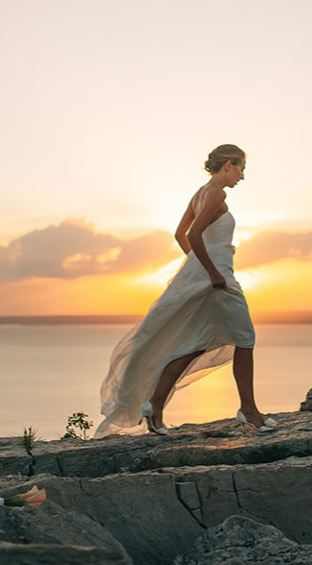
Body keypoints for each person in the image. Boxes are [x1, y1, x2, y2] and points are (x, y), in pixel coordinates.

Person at [96, 144, 276, 437]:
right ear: (228, 164)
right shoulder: (217, 193)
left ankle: (154, 405)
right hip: (217, 277)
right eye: (241, 168)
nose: (242, 176)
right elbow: (192, 234)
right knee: (245, 338)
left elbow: (181, 235)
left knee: (198, 343)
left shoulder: (200, 192)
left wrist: (197, 264)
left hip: (205, 272)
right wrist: (212, 270)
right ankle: (250, 411)